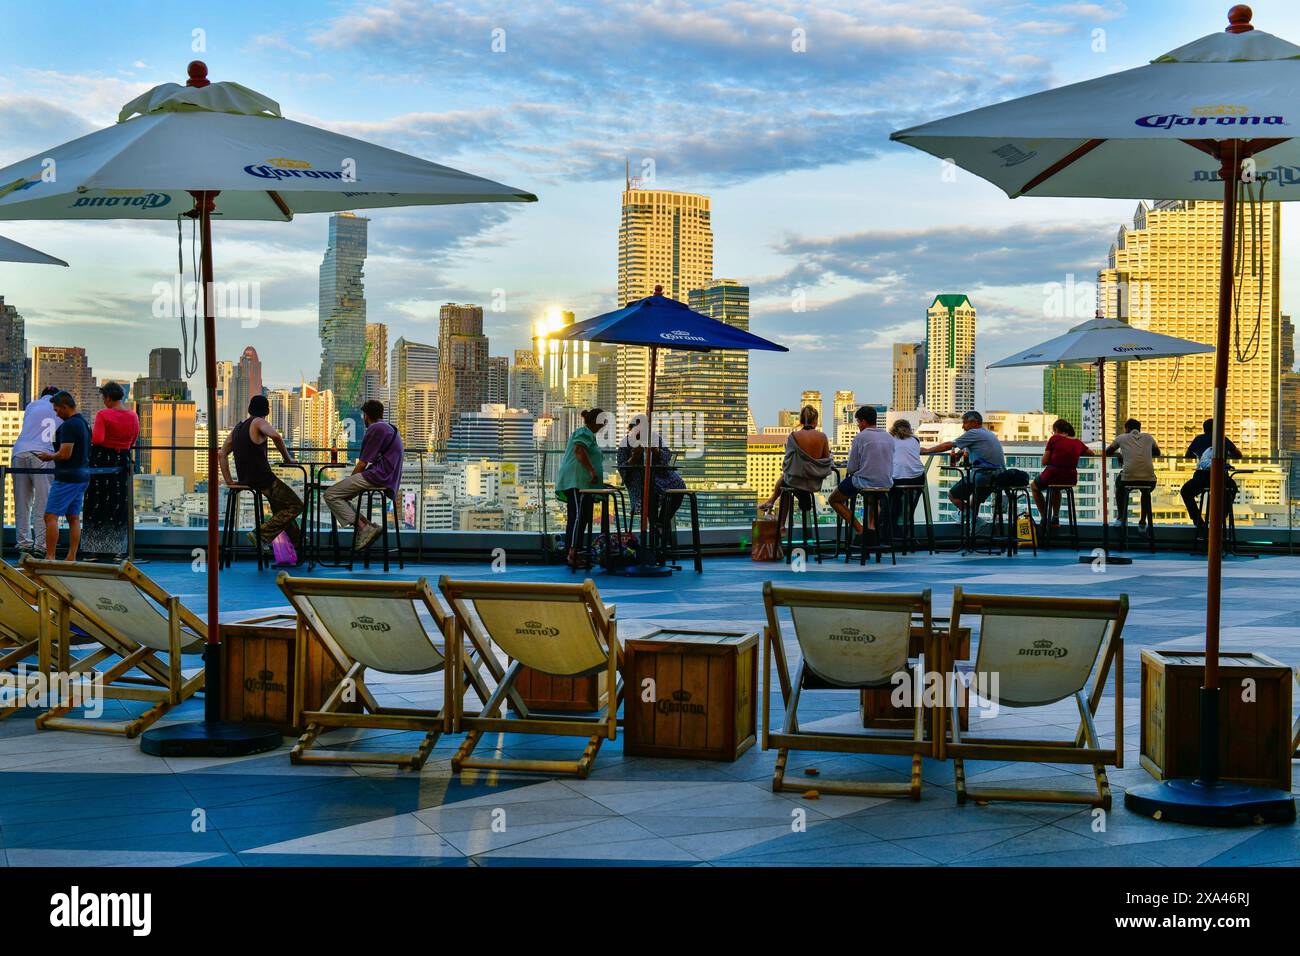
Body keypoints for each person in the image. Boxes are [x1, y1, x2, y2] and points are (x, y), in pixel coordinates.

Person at [219, 395, 303, 557]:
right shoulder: (258, 422)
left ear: (249, 409)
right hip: (263, 479)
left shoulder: (238, 428)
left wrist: (230, 481)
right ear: (267, 411)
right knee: (296, 506)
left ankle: (299, 547)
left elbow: (221, 454)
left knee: (281, 510)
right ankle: (261, 534)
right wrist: (288, 459)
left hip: (246, 479)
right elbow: (276, 436)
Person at [323, 400, 404, 552]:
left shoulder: (375, 428)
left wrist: (349, 481)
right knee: (343, 497)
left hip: (378, 475)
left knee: (331, 494)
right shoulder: (389, 428)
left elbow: (362, 464)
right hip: (388, 477)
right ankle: (369, 526)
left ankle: (364, 528)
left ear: (366, 415)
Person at [81, 382, 140, 560]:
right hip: (122, 461)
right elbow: (133, 440)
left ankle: (94, 550)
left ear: (107, 397)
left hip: (102, 462)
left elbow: (98, 439)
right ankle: (118, 551)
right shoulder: (133, 416)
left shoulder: (103, 414)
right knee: (119, 504)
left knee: (96, 503)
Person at [34, 391, 90, 561]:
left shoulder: (69, 426)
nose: (56, 413)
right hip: (82, 476)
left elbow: (65, 454)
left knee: (50, 516)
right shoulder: (83, 423)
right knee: (73, 517)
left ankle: (50, 556)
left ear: (65, 407)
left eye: (57, 409)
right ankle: (71, 557)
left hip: (67, 478)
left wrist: (48, 456)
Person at [759, 405, 834, 532]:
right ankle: (775, 503)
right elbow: (826, 460)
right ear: (815, 420)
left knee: (785, 485)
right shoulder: (822, 437)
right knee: (786, 485)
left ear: (800, 421)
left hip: (796, 481)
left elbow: (787, 462)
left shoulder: (794, 436)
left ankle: (780, 521)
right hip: (814, 483)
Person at [922, 410, 1006, 519]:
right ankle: (973, 526)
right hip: (998, 475)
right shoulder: (987, 433)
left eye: (965, 422)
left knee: (952, 495)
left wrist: (927, 451)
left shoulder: (974, 433)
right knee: (975, 500)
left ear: (974, 422)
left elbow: (949, 445)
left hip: (983, 475)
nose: (963, 426)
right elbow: (972, 447)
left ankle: (970, 517)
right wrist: (961, 452)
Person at [618, 413, 687, 545]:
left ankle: (661, 523)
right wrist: (633, 459)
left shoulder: (655, 438)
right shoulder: (625, 443)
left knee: (679, 486)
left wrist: (656, 451)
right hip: (639, 480)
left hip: (661, 476)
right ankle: (655, 533)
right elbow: (622, 468)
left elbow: (667, 455)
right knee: (649, 490)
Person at [828, 405, 894, 534]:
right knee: (873, 499)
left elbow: (852, 468)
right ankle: (872, 529)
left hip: (864, 482)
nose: (858, 425)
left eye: (858, 422)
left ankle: (860, 530)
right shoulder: (889, 437)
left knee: (834, 500)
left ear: (863, 422)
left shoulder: (861, 437)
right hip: (885, 483)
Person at [11, 385, 59, 557]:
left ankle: (23, 543)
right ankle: (41, 545)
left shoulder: (32, 405)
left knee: (22, 502)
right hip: (43, 454)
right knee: (43, 502)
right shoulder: (58, 407)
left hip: (19, 452)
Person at [555, 408, 606, 568]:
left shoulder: (589, 435)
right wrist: (592, 471)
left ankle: (575, 551)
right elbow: (579, 451)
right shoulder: (584, 432)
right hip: (576, 483)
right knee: (577, 517)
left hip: (584, 485)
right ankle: (572, 553)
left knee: (582, 517)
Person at [1029, 418, 1092, 531]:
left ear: (1056, 430)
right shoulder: (1077, 442)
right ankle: (1055, 517)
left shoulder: (1054, 439)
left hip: (1053, 475)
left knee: (1034, 487)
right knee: (1056, 488)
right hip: (1070, 478)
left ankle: (1045, 517)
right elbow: (1091, 453)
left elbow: (1044, 462)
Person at [1180, 418, 1241, 530]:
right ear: (1217, 429)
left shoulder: (1199, 439)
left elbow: (1188, 455)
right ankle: (1221, 517)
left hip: (1201, 478)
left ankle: (1197, 520)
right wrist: (1226, 454)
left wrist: (1200, 456)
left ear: (1204, 429)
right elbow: (1238, 455)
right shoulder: (1222, 439)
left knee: (1185, 491)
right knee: (1232, 488)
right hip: (1220, 478)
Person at [1107, 418, 1162, 530]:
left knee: (1119, 485)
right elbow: (1157, 452)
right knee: (1146, 492)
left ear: (1127, 429)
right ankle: (1142, 522)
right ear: (1139, 429)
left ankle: (1121, 518)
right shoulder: (1148, 437)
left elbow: (1108, 452)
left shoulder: (1121, 437)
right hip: (1149, 480)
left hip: (1128, 479)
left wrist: (1120, 455)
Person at [887, 418, 926, 536]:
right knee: (909, 507)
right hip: (917, 478)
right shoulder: (915, 439)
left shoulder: (890, 439)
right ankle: (907, 531)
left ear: (893, 429)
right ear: (909, 429)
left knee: (892, 504)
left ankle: (891, 533)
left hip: (896, 478)